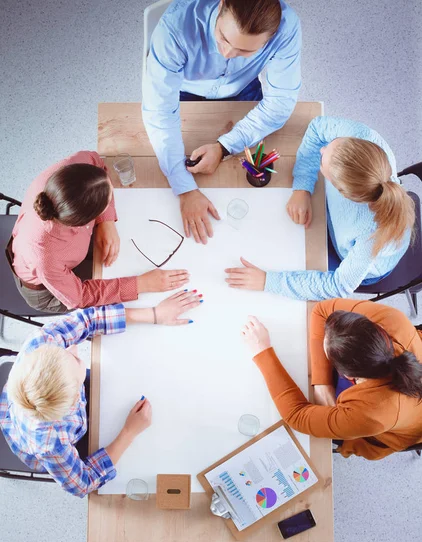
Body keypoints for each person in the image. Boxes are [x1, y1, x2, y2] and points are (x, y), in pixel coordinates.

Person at [0, 290, 202, 497]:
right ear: (72, 403)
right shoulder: (51, 444)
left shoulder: (43, 343)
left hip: (39, 399)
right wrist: (129, 432)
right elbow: (83, 483)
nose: (74, 352)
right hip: (39, 437)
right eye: (77, 360)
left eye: (66, 353)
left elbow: (85, 319)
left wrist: (155, 314)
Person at [142, 0, 301, 244]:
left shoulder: (287, 27)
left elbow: (279, 105)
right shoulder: (173, 28)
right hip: (184, 88)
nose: (226, 53)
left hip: (243, 86)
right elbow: (160, 113)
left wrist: (224, 147)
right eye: (223, 38)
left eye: (245, 51)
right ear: (221, 6)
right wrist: (184, 188)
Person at [225, 117, 415, 300]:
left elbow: (338, 286)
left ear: (343, 192)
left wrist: (267, 281)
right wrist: (302, 187)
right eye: (333, 145)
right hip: (338, 225)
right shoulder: (364, 137)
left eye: (322, 160)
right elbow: (317, 129)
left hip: (350, 259)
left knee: (285, 261)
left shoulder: (371, 237)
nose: (321, 149)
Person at [9, 151, 190, 312]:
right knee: (111, 294)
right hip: (49, 290)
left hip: (62, 259)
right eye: (107, 203)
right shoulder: (45, 255)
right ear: (83, 223)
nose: (111, 200)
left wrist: (107, 221)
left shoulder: (68, 171)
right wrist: (141, 284)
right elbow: (80, 298)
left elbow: (96, 161)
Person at [241, 299, 422, 460]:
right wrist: (322, 384)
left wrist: (262, 351)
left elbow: (296, 416)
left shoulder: (372, 414)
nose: (323, 334)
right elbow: (321, 310)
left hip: (390, 428)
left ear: (347, 376)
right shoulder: (393, 320)